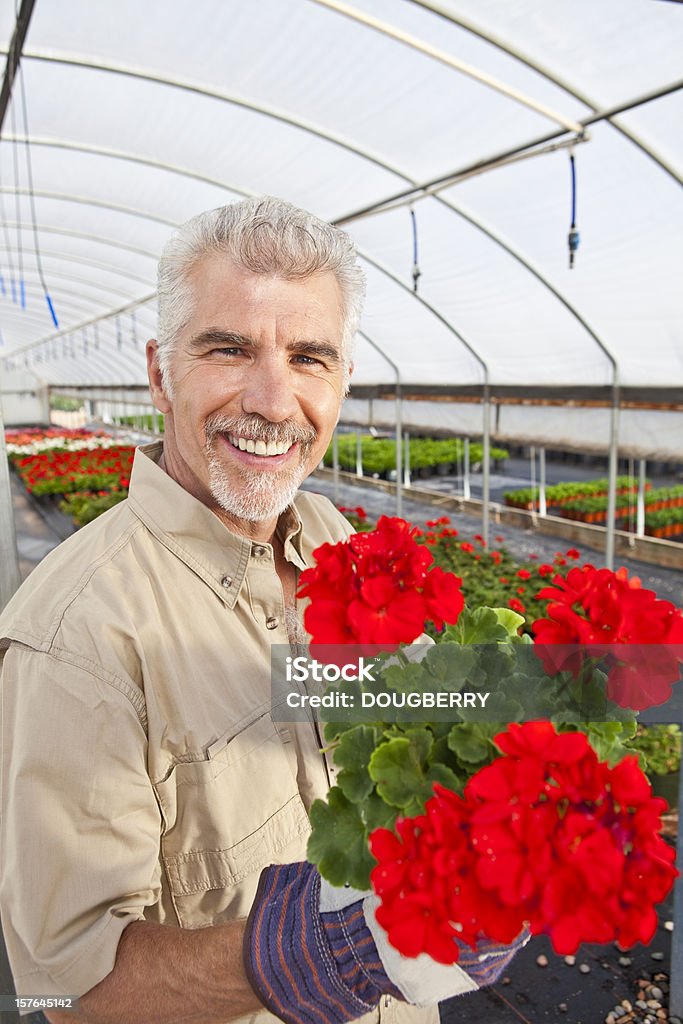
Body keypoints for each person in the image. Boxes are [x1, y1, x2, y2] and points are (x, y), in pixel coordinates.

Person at [0, 197, 524, 1024]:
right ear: (158, 371)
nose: (276, 401)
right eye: (228, 348)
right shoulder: (76, 635)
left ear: (343, 380)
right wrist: (323, 955)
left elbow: (402, 721)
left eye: (310, 357)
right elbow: (65, 985)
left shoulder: (331, 538)